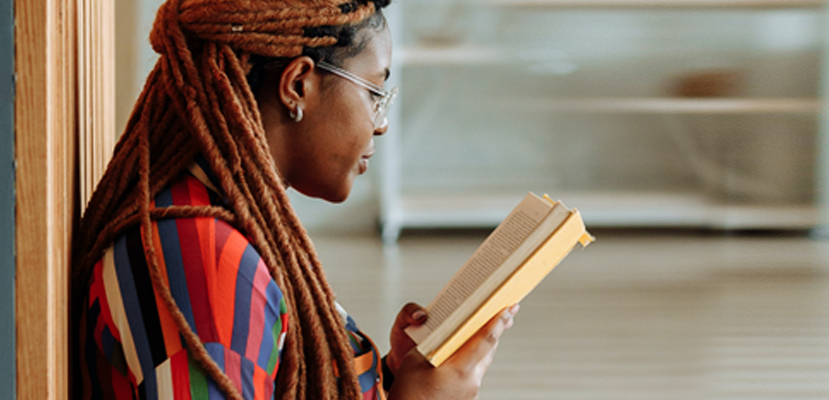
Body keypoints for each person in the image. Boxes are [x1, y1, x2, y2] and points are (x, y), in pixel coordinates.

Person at [69, 0, 516, 399]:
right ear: (298, 84)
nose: (379, 124)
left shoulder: (223, 220)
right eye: (374, 93)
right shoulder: (204, 263)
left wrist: (389, 376)